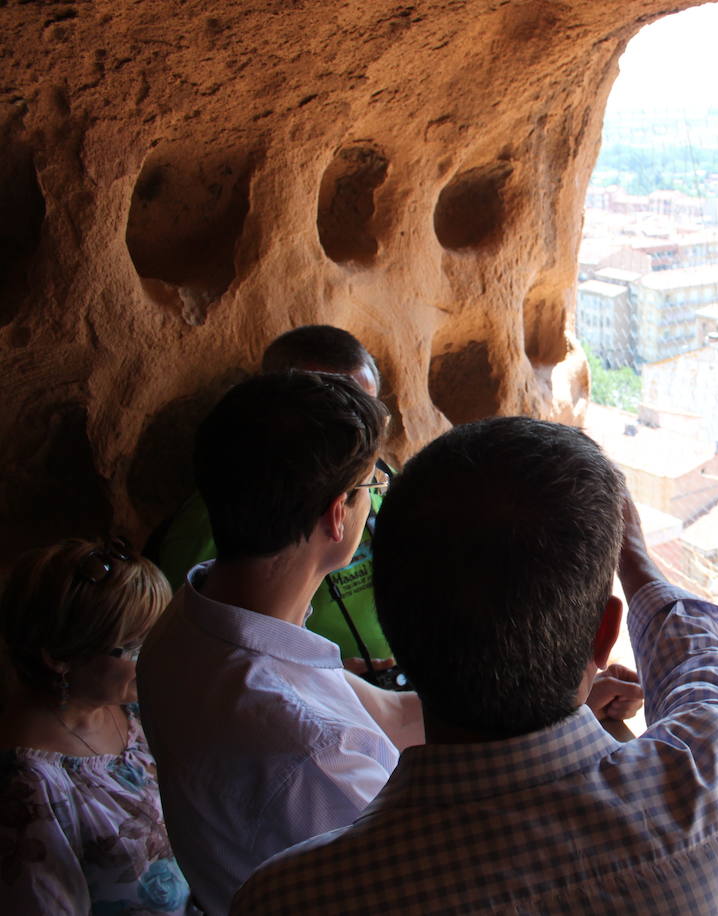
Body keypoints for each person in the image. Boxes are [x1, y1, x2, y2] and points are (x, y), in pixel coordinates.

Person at [231, 417, 718, 915]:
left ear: (393, 627)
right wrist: (634, 562)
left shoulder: (286, 898)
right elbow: (701, 670)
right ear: (605, 634)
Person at [137, 371, 420, 916]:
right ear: (338, 514)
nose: (375, 498)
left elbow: (390, 716)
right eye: (371, 487)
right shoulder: (313, 756)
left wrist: (543, 707)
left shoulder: (190, 621)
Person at [153, 325, 403, 687]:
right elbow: (191, 653)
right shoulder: (211, 518)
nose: (361, 440)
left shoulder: (378, 475)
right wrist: (314, 679)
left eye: (370, 415)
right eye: (341, 412)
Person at [0, 537, 193, 915]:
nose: (157, 654)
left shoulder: (127, 705)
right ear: (59, 656)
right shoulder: (28, 789)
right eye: (136, 646)